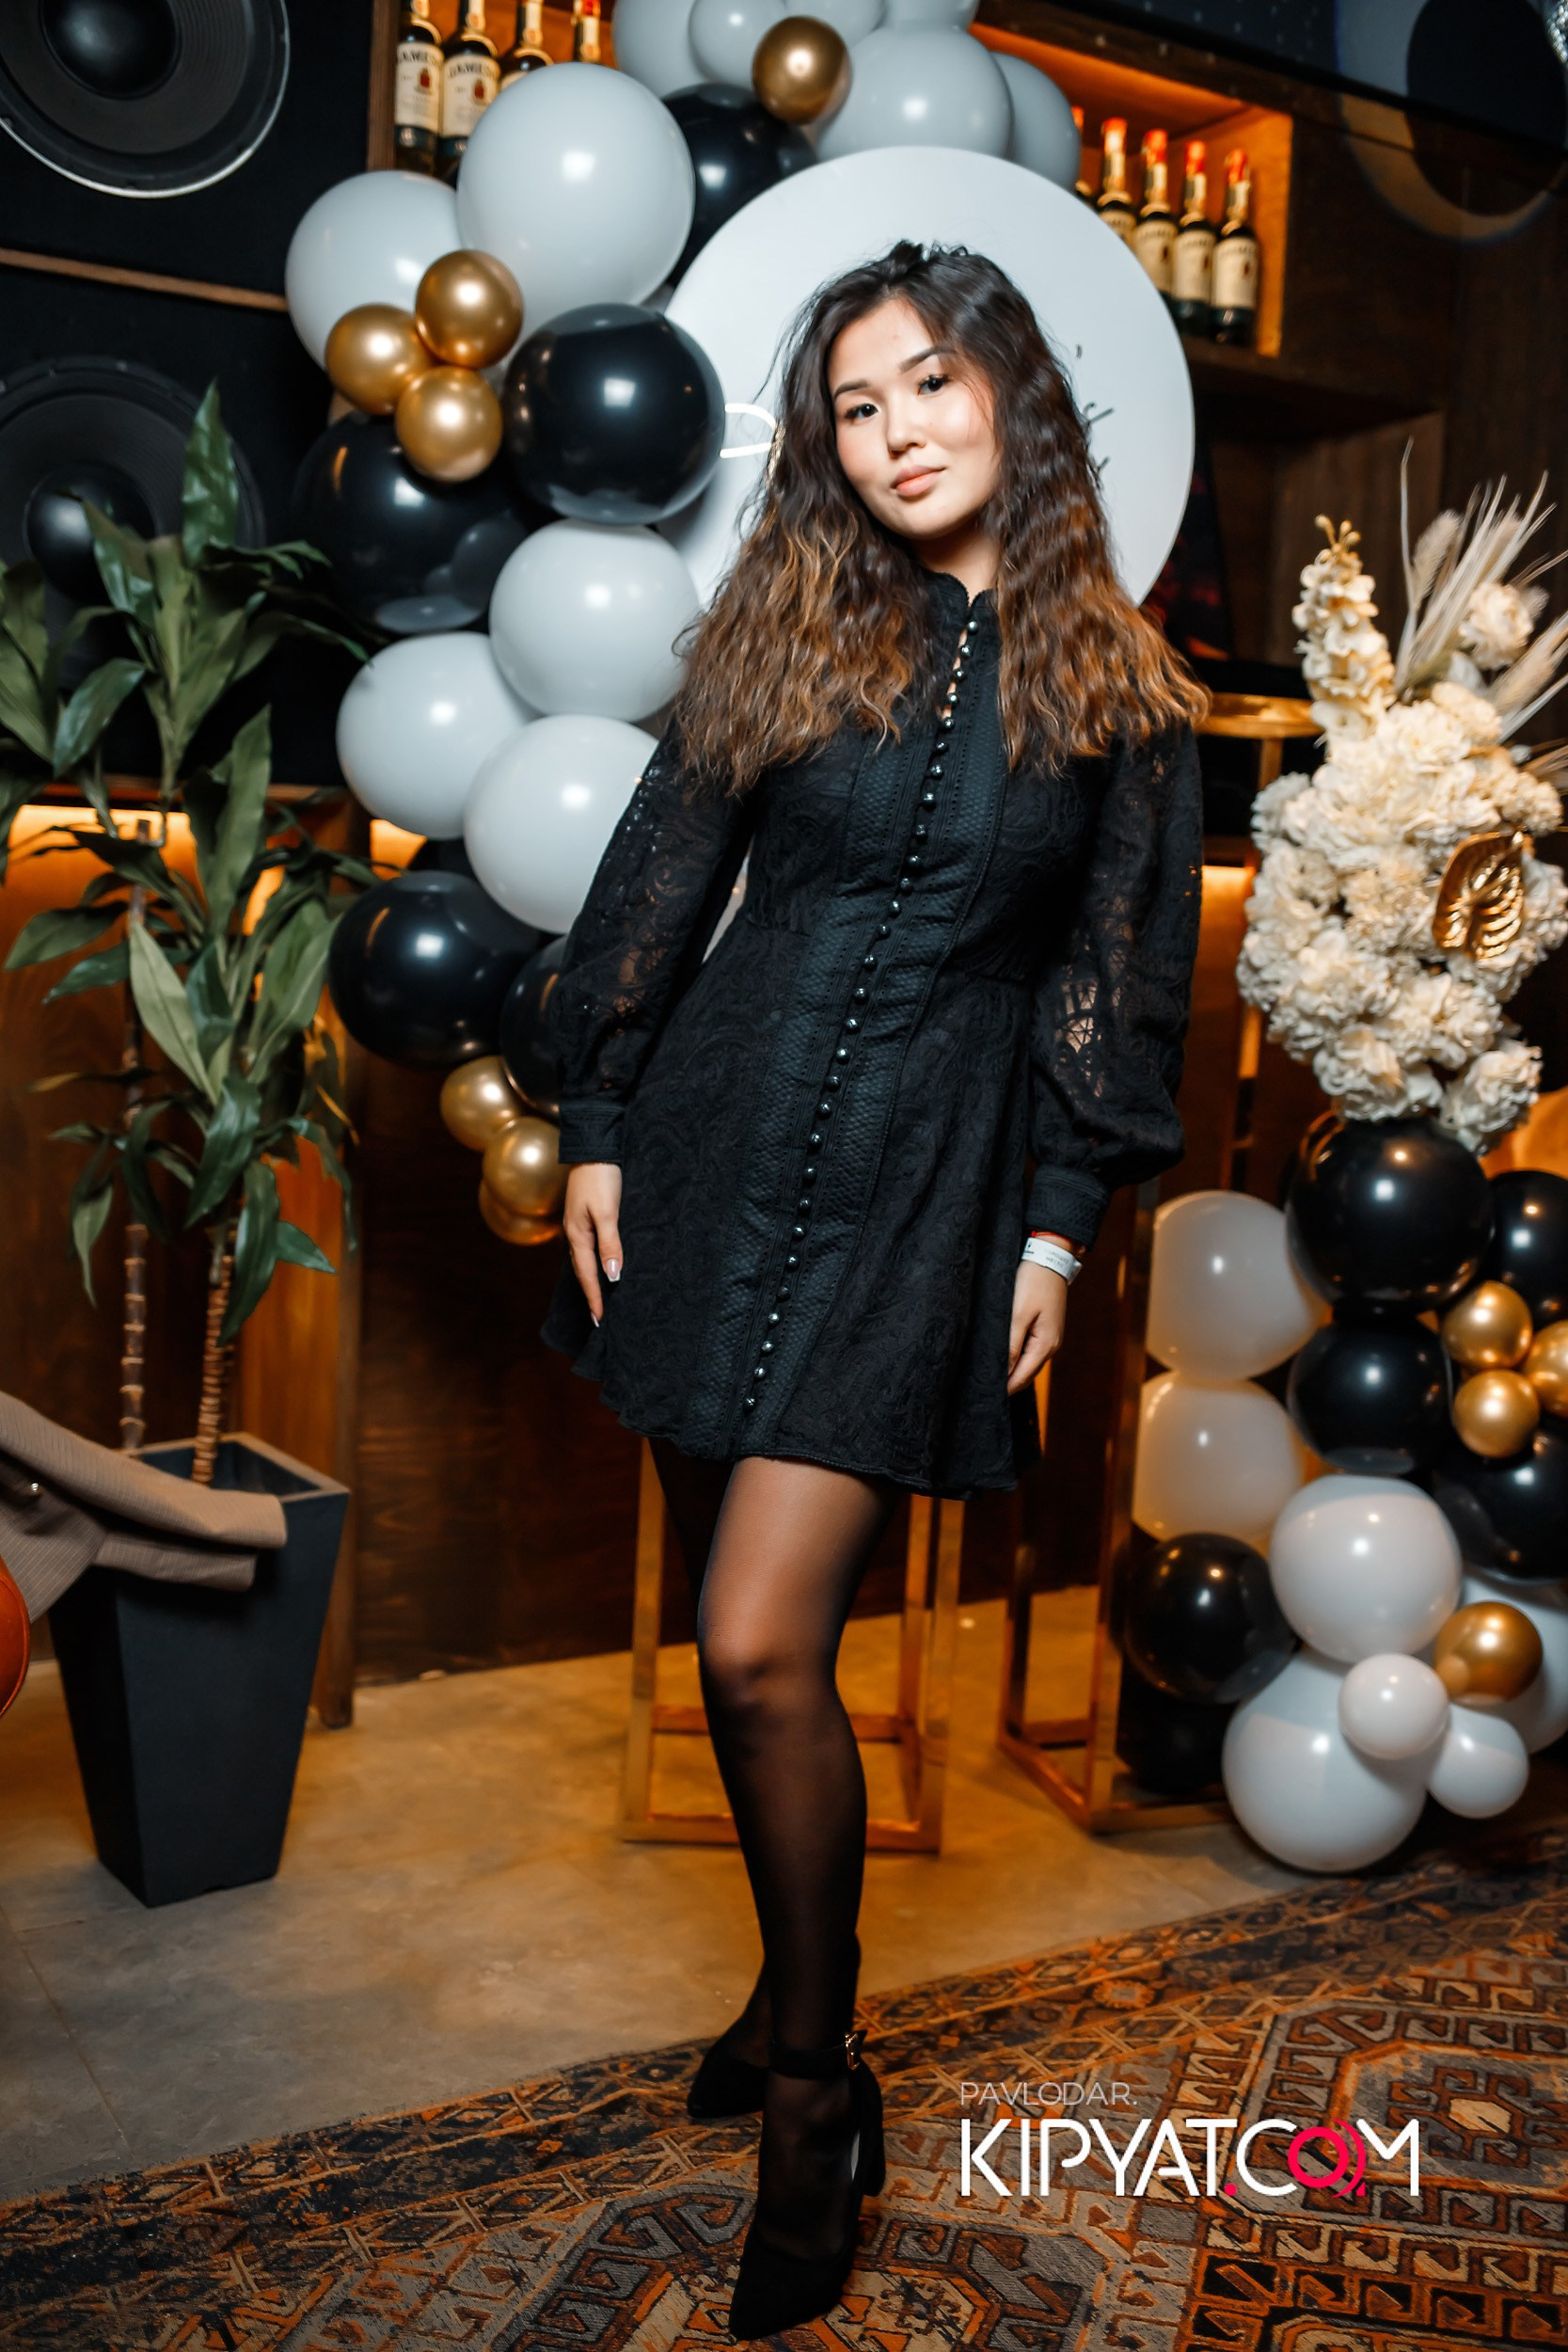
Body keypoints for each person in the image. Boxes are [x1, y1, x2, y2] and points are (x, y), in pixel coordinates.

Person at [541, 239, 1207, 2337]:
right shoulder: (788, 616)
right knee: (737, 1637)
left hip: (929, 1191)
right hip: (714, 1155)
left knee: (760, 1649)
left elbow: (1114, 977)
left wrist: (1056, 1227)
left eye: (930, 383)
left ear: (1012, 392)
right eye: (856, 404)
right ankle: (785, 1987)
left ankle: (818, 2094)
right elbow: (664, 863)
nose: (899, 431)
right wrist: (597, 1113)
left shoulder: (1125, 689)